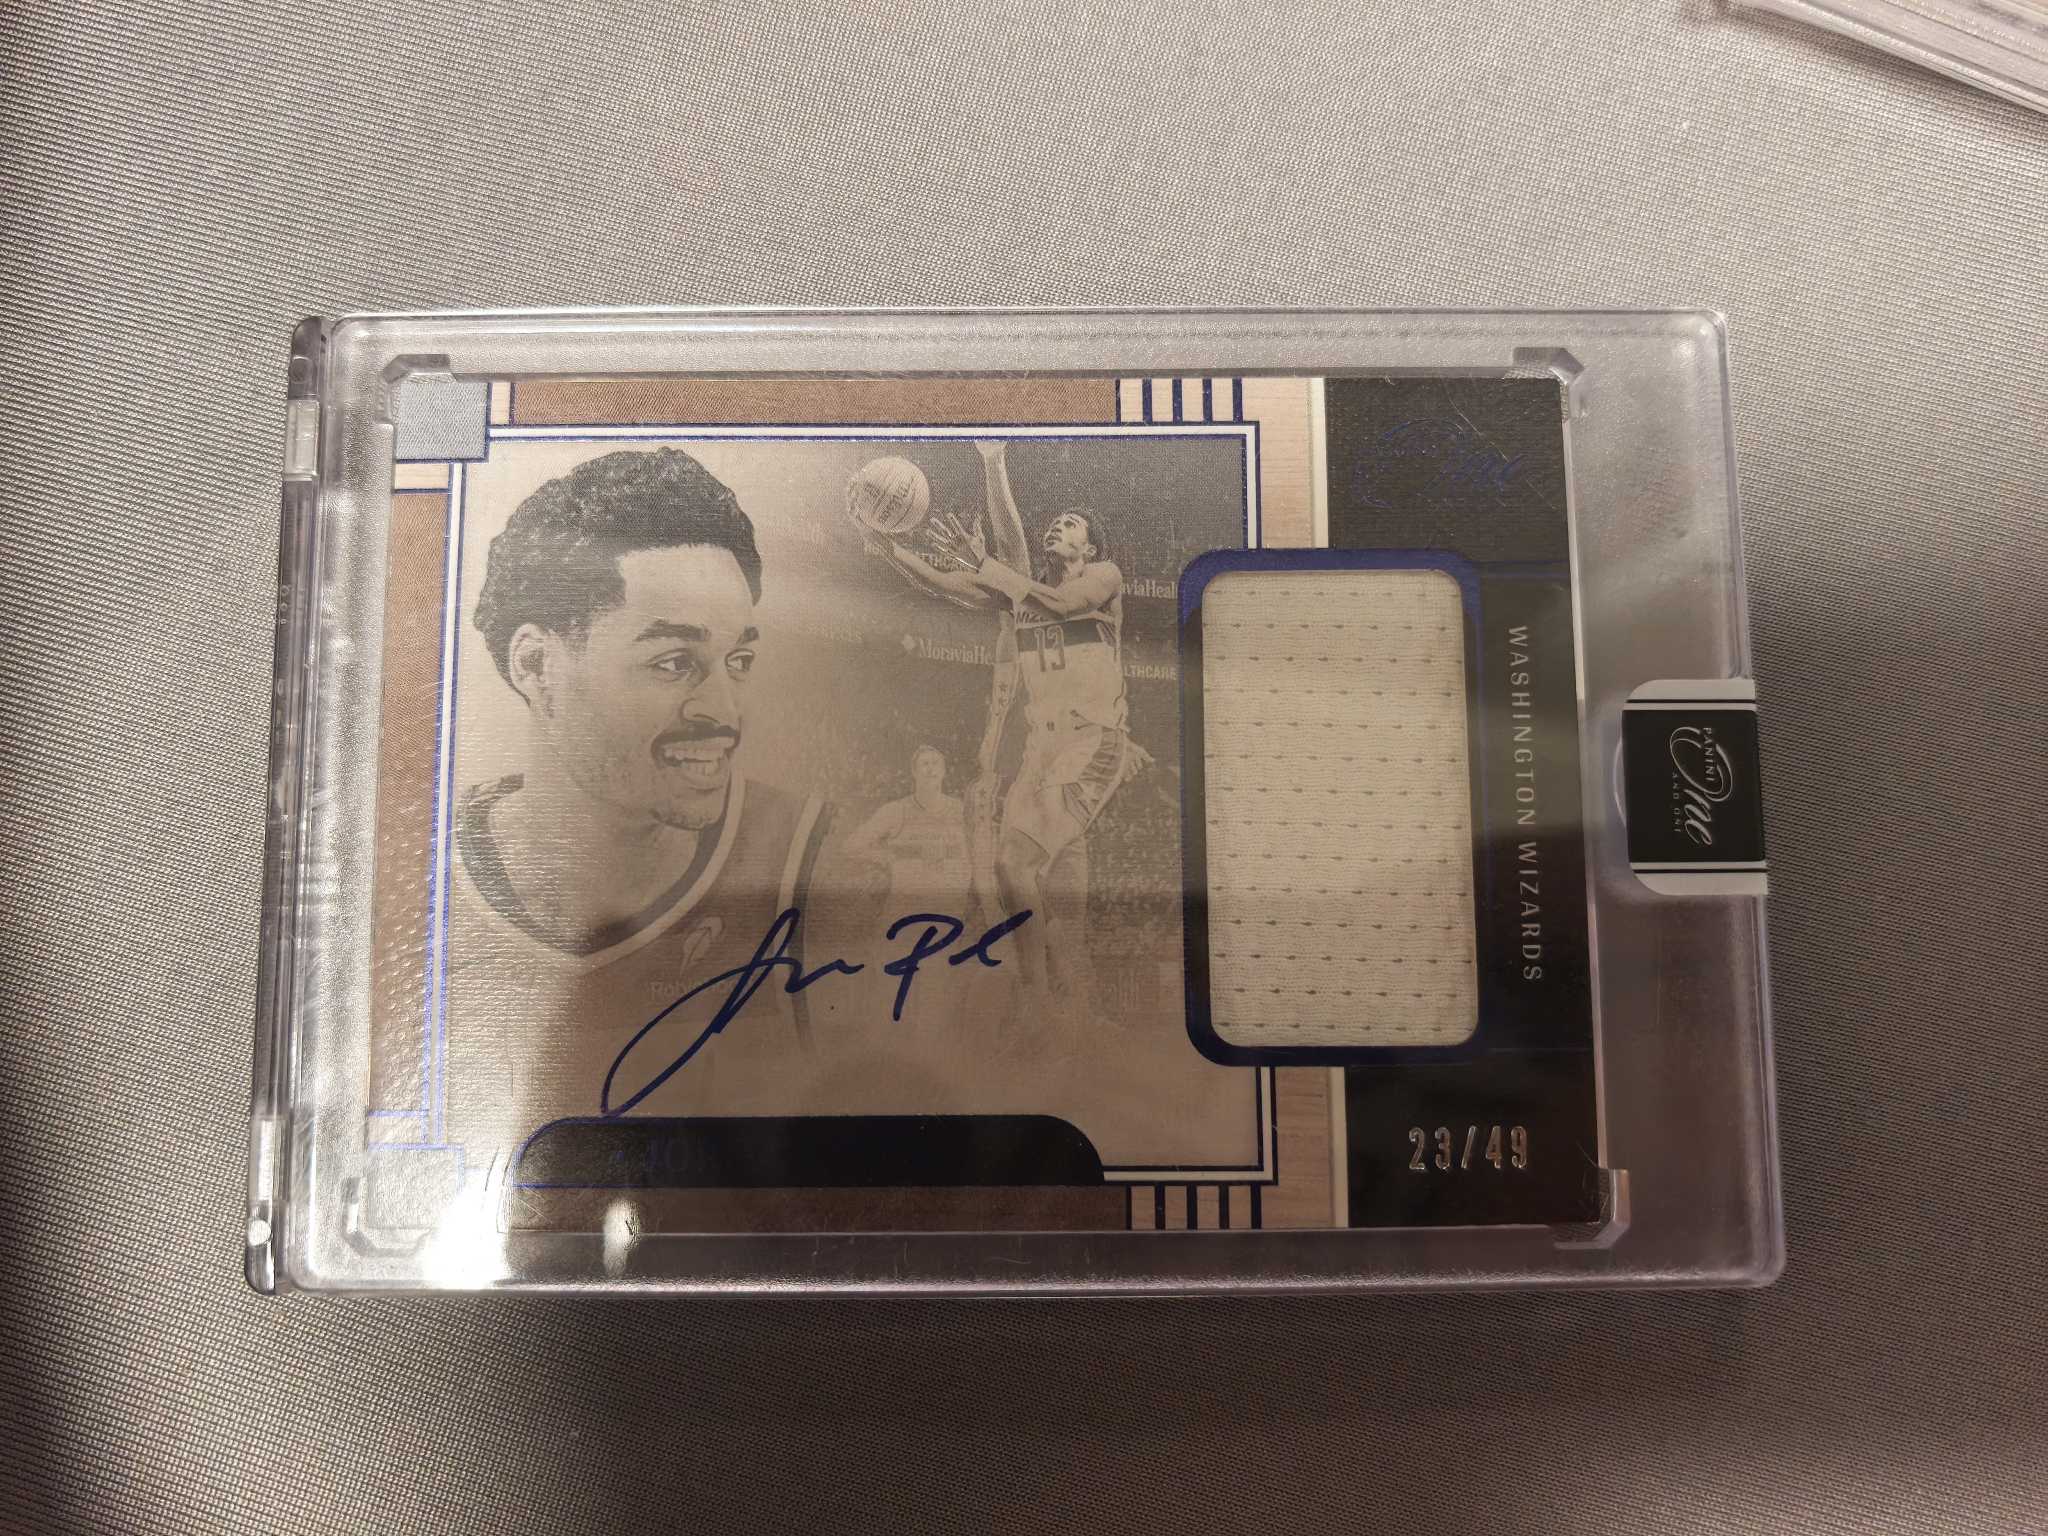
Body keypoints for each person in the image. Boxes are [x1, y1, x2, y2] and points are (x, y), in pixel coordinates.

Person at [445, 447, 833, 1147]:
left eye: (738, 661)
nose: (726, 711)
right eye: (674, 662)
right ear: (536, 665)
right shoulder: (408, 878)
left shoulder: (813, 857)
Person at [867, 441, 1134, 1004]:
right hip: (1041, 755)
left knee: (1020, 867)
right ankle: (1052, 1002)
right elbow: (945, 584)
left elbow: (1060, 605)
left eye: (1071, 523)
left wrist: (986, 554)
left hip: (1091, 745)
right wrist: (891, 549)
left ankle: (1048, 998)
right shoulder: (1020, 598)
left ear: (1089, 547)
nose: (1057, 525)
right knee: (1024, 882)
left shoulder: (1103, 577)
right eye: (1055, 521)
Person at [841, 745, 973, 916]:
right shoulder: (896, 810)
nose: (931, 769)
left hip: (949, 911)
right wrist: (883, 857)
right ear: (914, 772)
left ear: (944, 771)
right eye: (925, 764)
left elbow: (977, 853)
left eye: (936, 763)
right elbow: (850, 846)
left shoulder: (961, 810)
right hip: (906, 912)